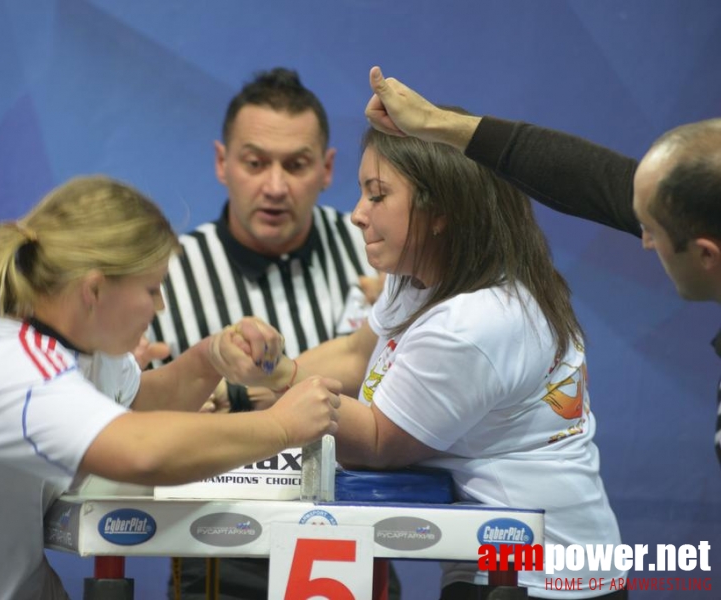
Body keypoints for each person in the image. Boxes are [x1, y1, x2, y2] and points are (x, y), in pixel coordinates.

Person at [0, 175, 341, 600]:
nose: (160, 307)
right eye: (152, 290)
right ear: (94, 290)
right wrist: (281, 425)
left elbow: (139, 407)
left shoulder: (78, 347)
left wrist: (209, 358)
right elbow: (141, 449)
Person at [256, 126, 627, 599]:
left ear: (441, 212)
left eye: (378, 195)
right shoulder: (424, 278)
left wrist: (276, 374)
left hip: (538, 580)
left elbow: (374, 442)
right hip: (503, 564)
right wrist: (238, 391)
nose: (356, 215)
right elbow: (355, 353)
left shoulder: (474, 323)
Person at [361, 65, 721, 462]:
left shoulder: (479, 321)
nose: (646, 242)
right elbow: (596, 179)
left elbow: (378, 442)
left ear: (707, 255)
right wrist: (435, 124)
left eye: (652, 229)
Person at [144, 68, 391, 599]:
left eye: (296, 165)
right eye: (255, 163)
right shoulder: (165, 275)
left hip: (360, 530)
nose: (275, 186)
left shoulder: (374, 250)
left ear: (326, 169)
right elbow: (146, 421)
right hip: (215, 544)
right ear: (222, 163)